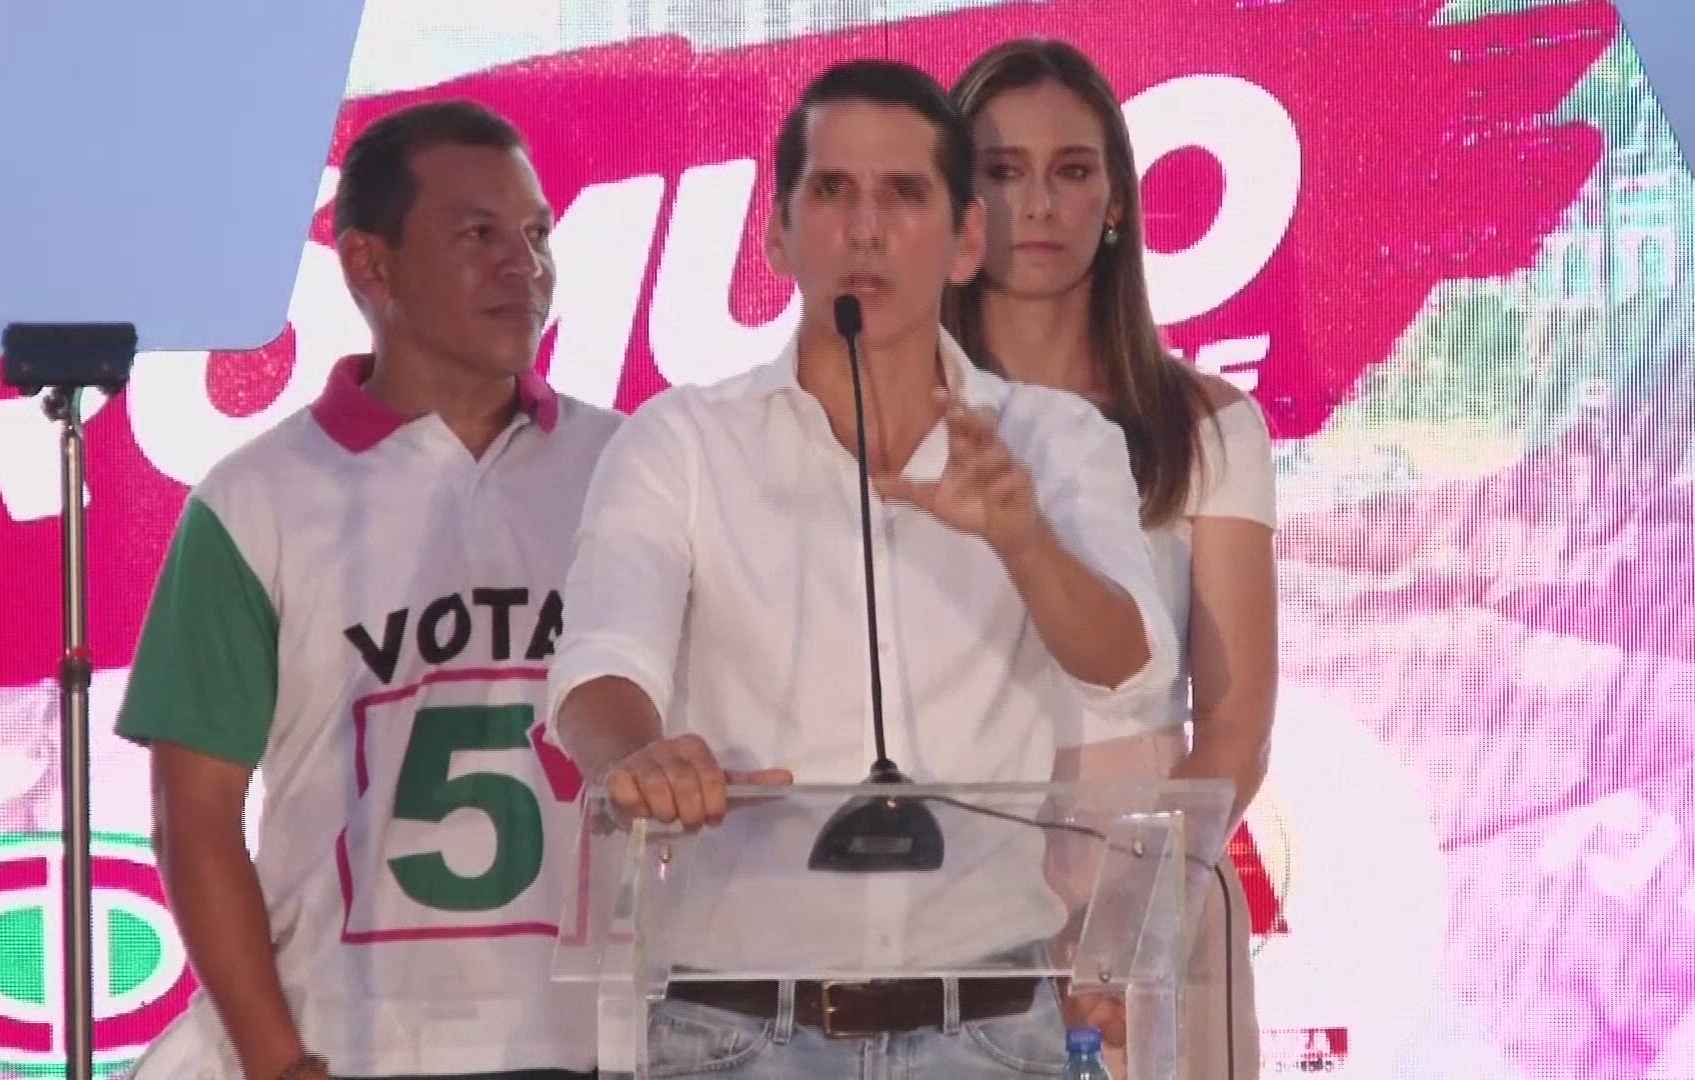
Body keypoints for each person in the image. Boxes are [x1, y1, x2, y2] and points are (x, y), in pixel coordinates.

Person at [547, 58, 1178, 1077]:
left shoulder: (1057, 443)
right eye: (833, 190)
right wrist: (640, 758)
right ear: (777, 234)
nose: (867, 229)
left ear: (966, 239)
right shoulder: (681, 441)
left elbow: (1128, 665)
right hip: (735, 1032)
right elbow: (601, 666)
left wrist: (1023, 540)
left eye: (904, 193)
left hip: (989, 1028)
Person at [115, 101, 621, 1080]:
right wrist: (278, 1062)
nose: (524, 266)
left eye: (536, 233)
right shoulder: (255, 499)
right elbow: (196, 815)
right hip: (351, 1046)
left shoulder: (630, 467)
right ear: (369, 266)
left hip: (597, 1042)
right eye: (478, 235)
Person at [946, 37, 1280, 1080]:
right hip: (941, 874)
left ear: (1119, 201)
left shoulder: (1207, 424)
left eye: (1072, 170)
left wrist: (1130, 918)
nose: (1038, 204)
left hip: (1151, 866)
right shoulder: (897, 420)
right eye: (1002, 171)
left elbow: (1235, 721)